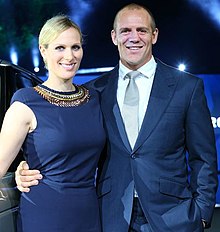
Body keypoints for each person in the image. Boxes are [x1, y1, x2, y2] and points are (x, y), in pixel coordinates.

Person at [15, 3, 218, 232]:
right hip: (110, 217)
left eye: (141, 30)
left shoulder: (187, 87)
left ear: (154, 35)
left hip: (173, 218)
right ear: (114, 37)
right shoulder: (93, 92)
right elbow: (70, 144)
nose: (134, 37)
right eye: (125, 31)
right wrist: (25, 168)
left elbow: (204, 158)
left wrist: (201, 213)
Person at [0, 14, 106, 232]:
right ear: (43, 50)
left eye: (75, 47)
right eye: (60, 48)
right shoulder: (26, 102)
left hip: (89, 214)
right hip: (45, 215)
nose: (69, 56)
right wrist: (19, 169)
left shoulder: (94, 99)